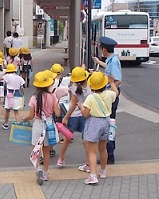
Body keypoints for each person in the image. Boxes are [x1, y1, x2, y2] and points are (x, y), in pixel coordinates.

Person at [77, 72, 119, 185]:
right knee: (102, 148)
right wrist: (111, 82)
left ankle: (93, 175)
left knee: (92, 151)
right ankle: (103, 171)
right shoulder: (109, 94)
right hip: (106, 121)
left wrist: (81, 107)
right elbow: (116, 92)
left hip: (94, 122)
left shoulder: (91, 97)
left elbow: (85, 114)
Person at [22, 71, 61, 185]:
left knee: (36, 150)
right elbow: (58, 113)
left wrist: (24, 119)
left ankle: (38, 168)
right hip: (49, 124)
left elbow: (31, 116)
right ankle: (45, 173)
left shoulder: (34, 98)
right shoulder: (53, 96)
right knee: (47, 151)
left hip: (38, 125)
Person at [93, 36, 122, 164]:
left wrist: (110, 91)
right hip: (111, 93)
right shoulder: (112, 60)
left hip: (112, 94)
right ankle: (109, 152)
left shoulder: (114, 61)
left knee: (108, 124)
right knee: (109, 123)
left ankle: (109, 155)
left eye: (101, 48)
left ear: (104, 49)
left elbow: (118, 79)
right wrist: (98, 62)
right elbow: (109, 70)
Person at [57, 67, 93, 171]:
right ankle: (89, 163)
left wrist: (65, 117)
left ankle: (60, 159)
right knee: (86, 141)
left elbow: (72, 105)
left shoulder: (73, 89)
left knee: (67, 138)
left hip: (73, 116)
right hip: (86, 116)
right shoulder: (91, 88)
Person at [1, 64, 25, 130]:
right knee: (16, 111)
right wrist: (23, 94)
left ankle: (6, 124)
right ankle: (18, 125)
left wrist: (5, 73)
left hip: (9, 95)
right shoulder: (20, 77)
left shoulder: (7, 76)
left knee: (7, 110)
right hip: (17, 94)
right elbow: (22, 87)